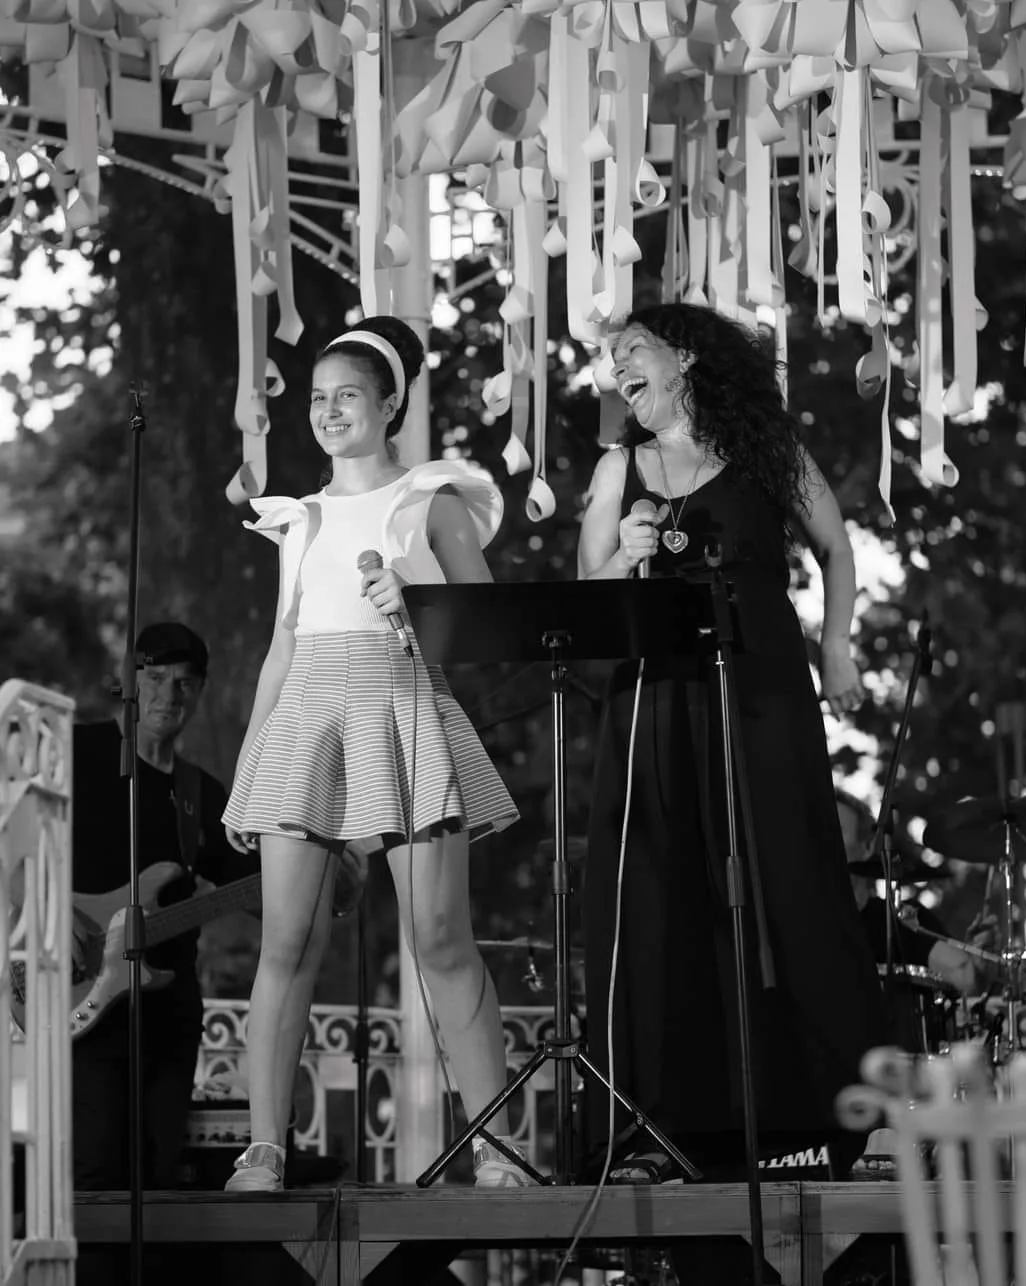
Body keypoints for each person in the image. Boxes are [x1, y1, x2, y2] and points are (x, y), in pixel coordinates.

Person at [577, 303, 889, 1204]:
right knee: (657, 894)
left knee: (790, 876)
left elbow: (835, 549)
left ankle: (845, 1116)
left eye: (632, 351)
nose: (617, 370)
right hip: (654, 698)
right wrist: (624, 555)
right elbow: (588, 595)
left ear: (686, 358)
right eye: (612, 359)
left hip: (760, 689)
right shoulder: (618, 469)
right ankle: (651, 1128)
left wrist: (838, 649)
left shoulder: (769, 450)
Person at [222, 317, 528, 1192]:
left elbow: (492, 630)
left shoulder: (431, 500)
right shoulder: (300, 517)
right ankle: (264, 1148)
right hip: (306, 718)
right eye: (317, 399)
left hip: (402, 705)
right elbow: (282, 647)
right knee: (287, 940)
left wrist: (416, 599)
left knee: (440, 937)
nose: (328, 412)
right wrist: (250, 766)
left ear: (390, 404)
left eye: (347, 395)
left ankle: (496, 1147)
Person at [71, 621, 258, 1192]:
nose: (168, 696)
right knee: (94, 1168)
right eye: (154, 679)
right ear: (127, 681)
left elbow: (260, 892)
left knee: (157, 1179)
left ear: (199, 692)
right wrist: (49, 911)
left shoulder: (203, 795)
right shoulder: (73, 751)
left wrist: (320, 875)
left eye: (184, 683)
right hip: (79, 998)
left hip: (168, 1013)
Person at [835, 790, 980, 996]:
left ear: (867, 846)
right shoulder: (799, 925)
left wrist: (979, 962)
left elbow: (963, 975)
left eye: (836, 830)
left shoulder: (902, 921)